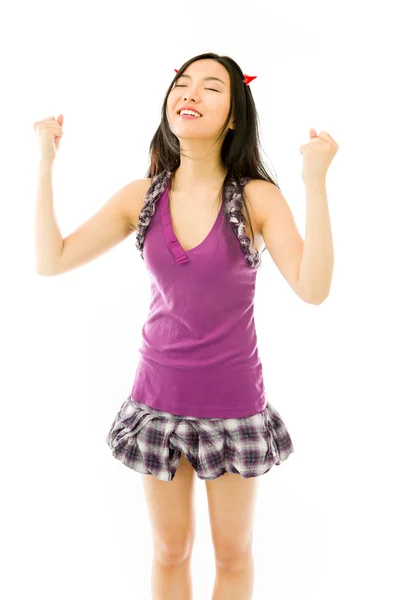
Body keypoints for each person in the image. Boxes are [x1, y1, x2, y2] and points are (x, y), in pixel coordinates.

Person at [34, 52, 301, 600]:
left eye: (211, 87)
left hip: (234, 408)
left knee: (232, 556)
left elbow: (314, 287)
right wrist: (45, 163)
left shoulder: (255, 198)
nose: (191, 94)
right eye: (183, 83)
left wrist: (316, 182)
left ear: (233, 117)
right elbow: (52, 259)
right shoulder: (143, 197)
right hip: (155, 402)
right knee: (169, 551)